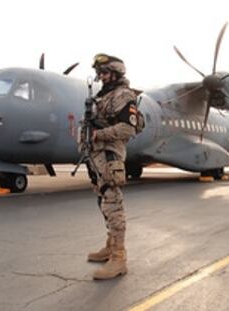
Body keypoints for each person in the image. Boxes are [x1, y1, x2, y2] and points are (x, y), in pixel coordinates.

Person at [83, 53, 141, 280]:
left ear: (116, 74)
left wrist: (99, 134)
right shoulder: (102, 96)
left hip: (109, 154)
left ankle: (119, 258)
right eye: (99, 73)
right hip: (96, 155)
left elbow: (128, 128)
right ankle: (110, 245)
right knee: (103, 201)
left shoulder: (123, 95)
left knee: (112, 203)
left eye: (105, 73)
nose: (101, 77)